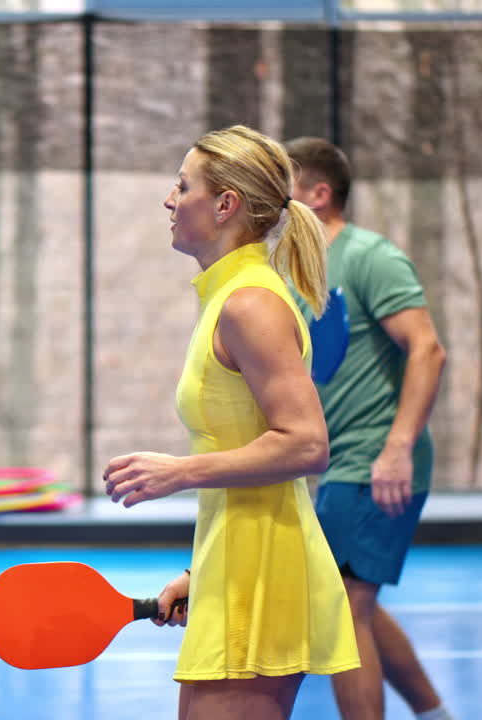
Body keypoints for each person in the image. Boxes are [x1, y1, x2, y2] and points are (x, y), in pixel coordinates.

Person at [102, 124, 360, 720]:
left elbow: (306, 444)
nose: (170, 200)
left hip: (264, 575)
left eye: (182, 185)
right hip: (233, 563)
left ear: (225, 205)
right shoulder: (227, 297)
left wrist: (180, 472)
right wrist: (201, 570)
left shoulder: (250, 303)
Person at [284, 136, 453, 720]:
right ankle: (435, 714)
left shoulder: (370, 257)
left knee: (343, 608)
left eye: (285, 188)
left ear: (318, 193)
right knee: (357, 604)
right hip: (341, 466)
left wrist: (397, 449)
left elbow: (428, 351)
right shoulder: (300, 271)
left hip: (376, 462)